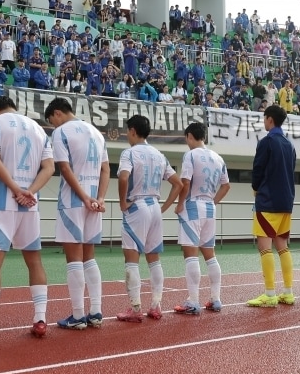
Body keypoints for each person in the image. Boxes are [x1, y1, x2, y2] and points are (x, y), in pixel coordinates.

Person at [0, 96, 55, 343]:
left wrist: (15, 189)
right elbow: (49, 168)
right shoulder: (38, 127)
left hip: (4, 203)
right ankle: (40, 319)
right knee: (34, 262)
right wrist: (30, 191)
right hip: (31, 206)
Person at [44, 97, 110, 329]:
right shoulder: (97, 133)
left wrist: (83, 197)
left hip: (73, 201)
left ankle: (78, 315)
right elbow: (105, 169)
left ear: (57, 113)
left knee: (73, 259)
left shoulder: (61, 132)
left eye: (52, 121)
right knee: (89, 257)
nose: (53, 125)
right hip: (94, 203)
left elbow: (64, 168)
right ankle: (96, 312)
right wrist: (99, 198)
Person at [115, 116, 183, 322]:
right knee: (154, 259)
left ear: (133, 131)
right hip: (154, 207)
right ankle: (156, 306)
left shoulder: (129, 153)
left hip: (137, 207)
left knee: (131, 258)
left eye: (128, 131)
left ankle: (135, 308)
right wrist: (164, 207)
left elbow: (123, 177)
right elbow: (178, 184)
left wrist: (122, 203)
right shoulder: (159, 155)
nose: (128, 135)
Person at [173, 123, 231, 314]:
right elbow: (226, 186)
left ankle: (193, 301)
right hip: (209, 208)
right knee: (210, 255)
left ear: (190, 136)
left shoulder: (190, 155)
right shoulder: (218, 157)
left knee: (190, 254)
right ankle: (216, 299)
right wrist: (213, 202)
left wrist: (180, 203)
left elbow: (186, 182)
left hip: (193, 206)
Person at [246, 105, 297, 307]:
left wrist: (256, 188)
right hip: (286, 201)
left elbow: (257, 170)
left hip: (267, 200)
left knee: (264, 247)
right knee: (283, 247)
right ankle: (288, 292)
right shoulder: (290, 145)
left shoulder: (266, 142)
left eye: (264, 118)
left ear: (269, 119)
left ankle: (269, 294)